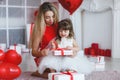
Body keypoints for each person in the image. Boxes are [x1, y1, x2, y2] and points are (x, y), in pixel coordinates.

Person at [31, 2, 59, 78]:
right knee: (52, 74)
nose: (51, 20)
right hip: (45, 57)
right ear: (42, 17)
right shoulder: (40, 30)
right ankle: (37, 73)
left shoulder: (58, 26)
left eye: (53, 16)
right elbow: (33, 52)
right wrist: (41, 53)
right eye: (47, 17)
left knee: (66, 71)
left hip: (58, 55)